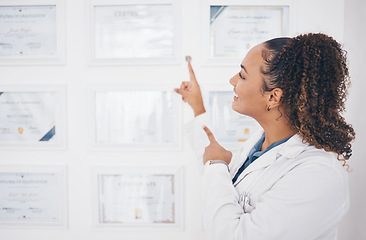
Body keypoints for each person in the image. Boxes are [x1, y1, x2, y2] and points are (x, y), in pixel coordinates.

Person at [174, 33, 355, 240]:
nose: (232, 80)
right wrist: (198, 108)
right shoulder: (262, 142)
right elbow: (219, 182)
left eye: (242, 75)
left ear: (273, 96)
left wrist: (216, 165)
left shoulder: (319, 174)